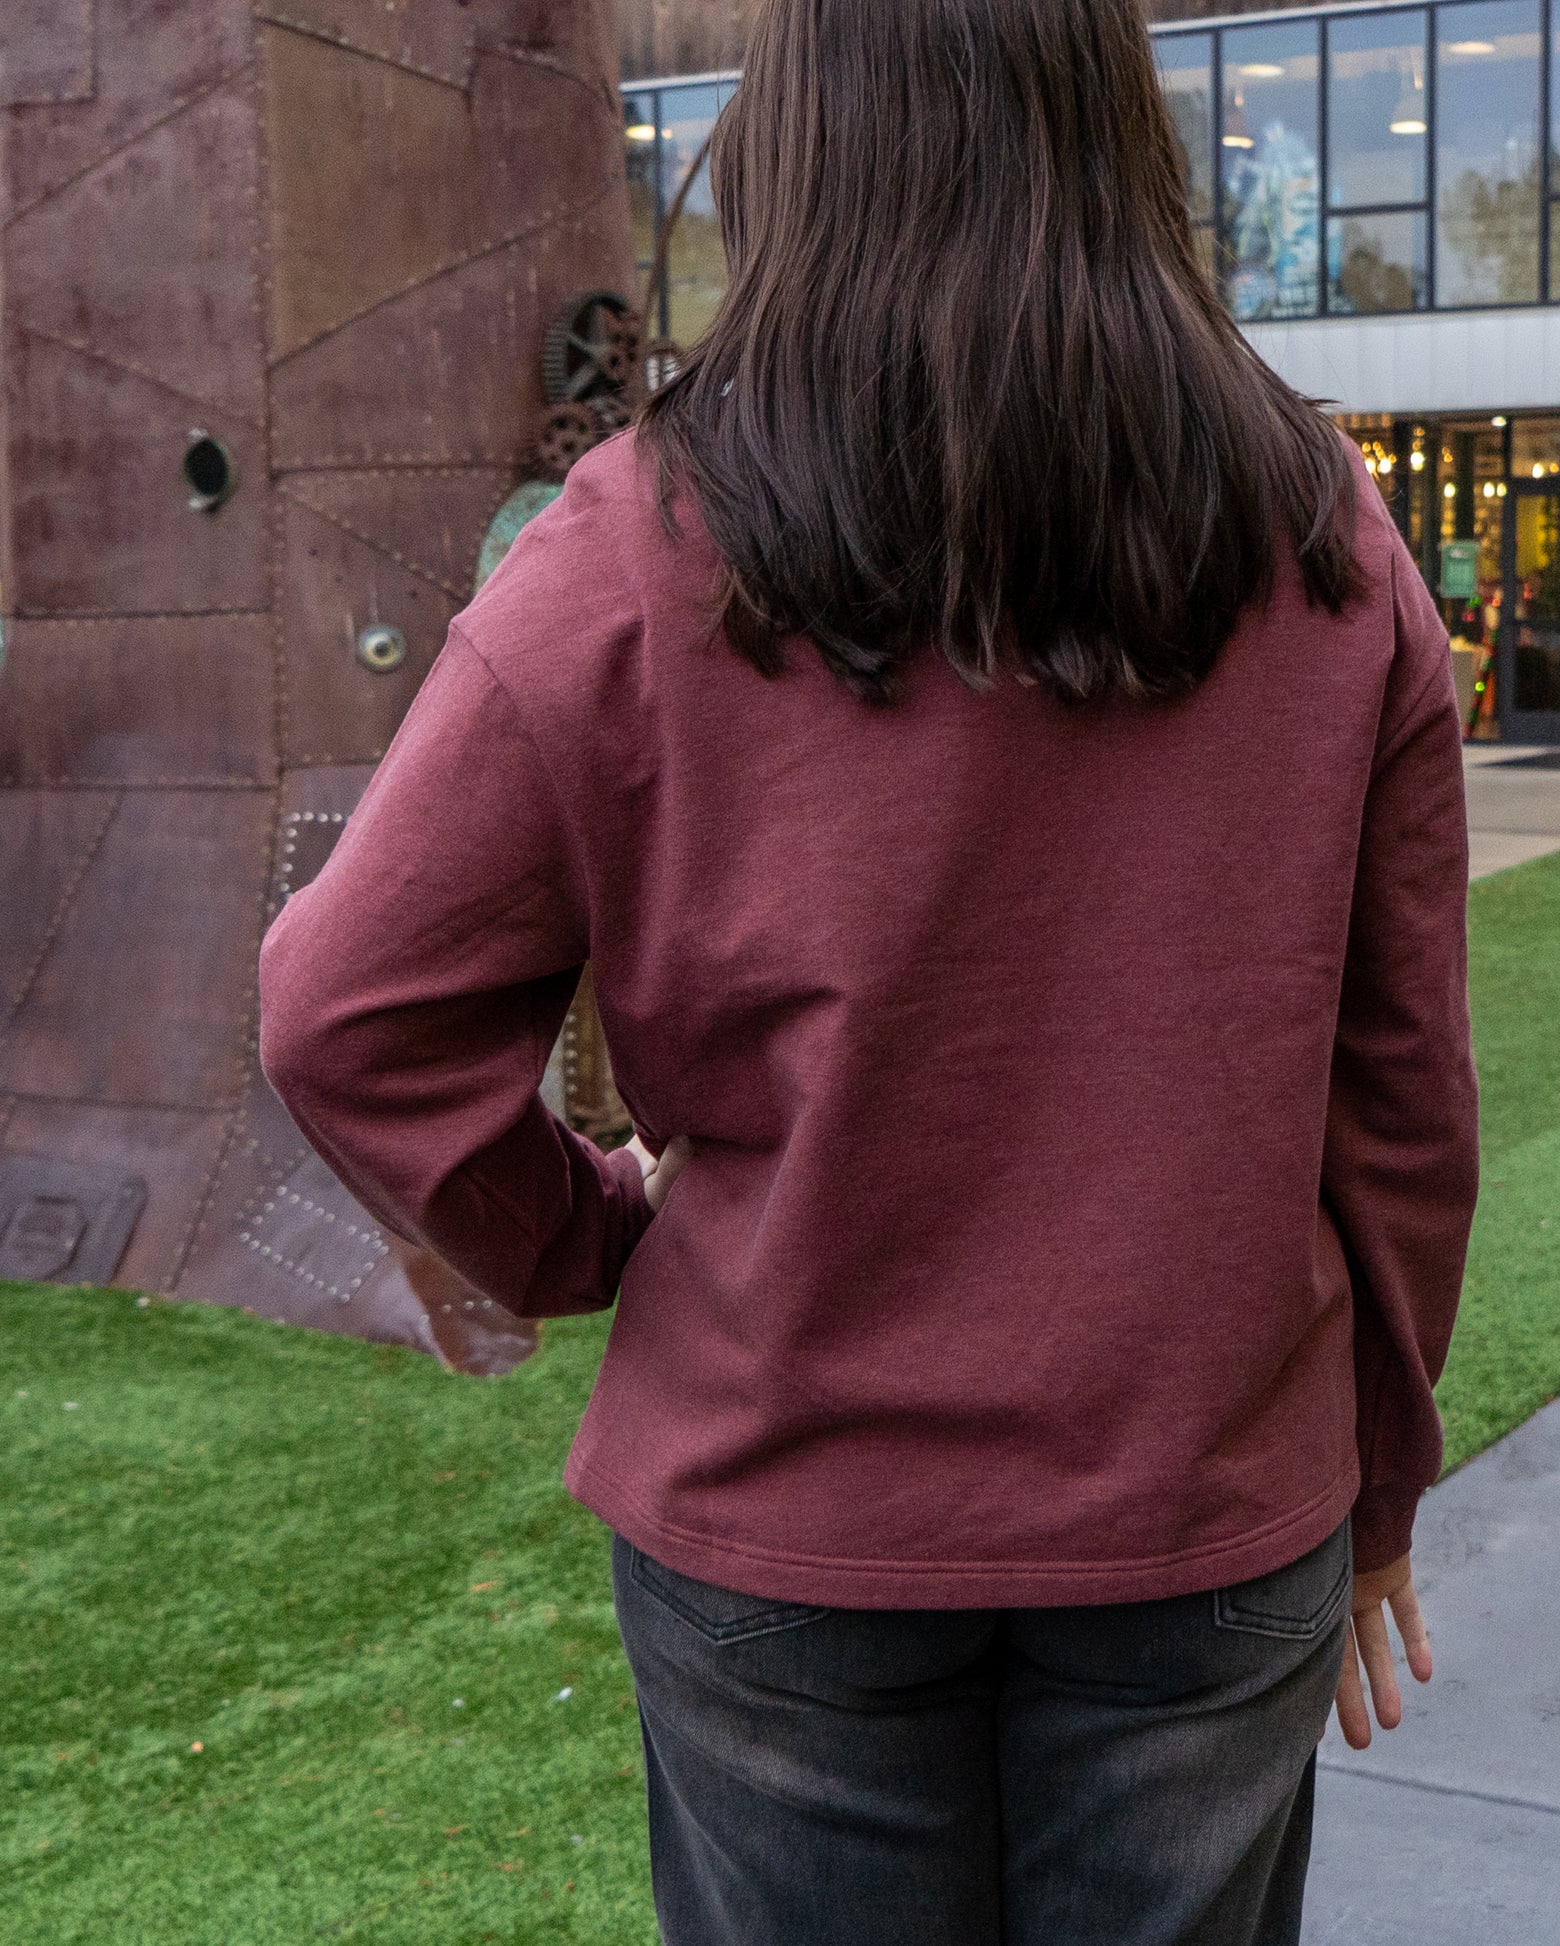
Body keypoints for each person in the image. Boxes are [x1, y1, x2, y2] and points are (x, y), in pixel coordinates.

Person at [257, 0, 1478, 1938]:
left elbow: (344, 1009)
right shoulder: (1318, 535)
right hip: (1199, 1507)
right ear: (1118, 132)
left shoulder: (635, 541)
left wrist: (578, 1240)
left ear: (793, 141)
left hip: (785, 1510)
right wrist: (1379, 1482)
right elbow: (1402, 1095)